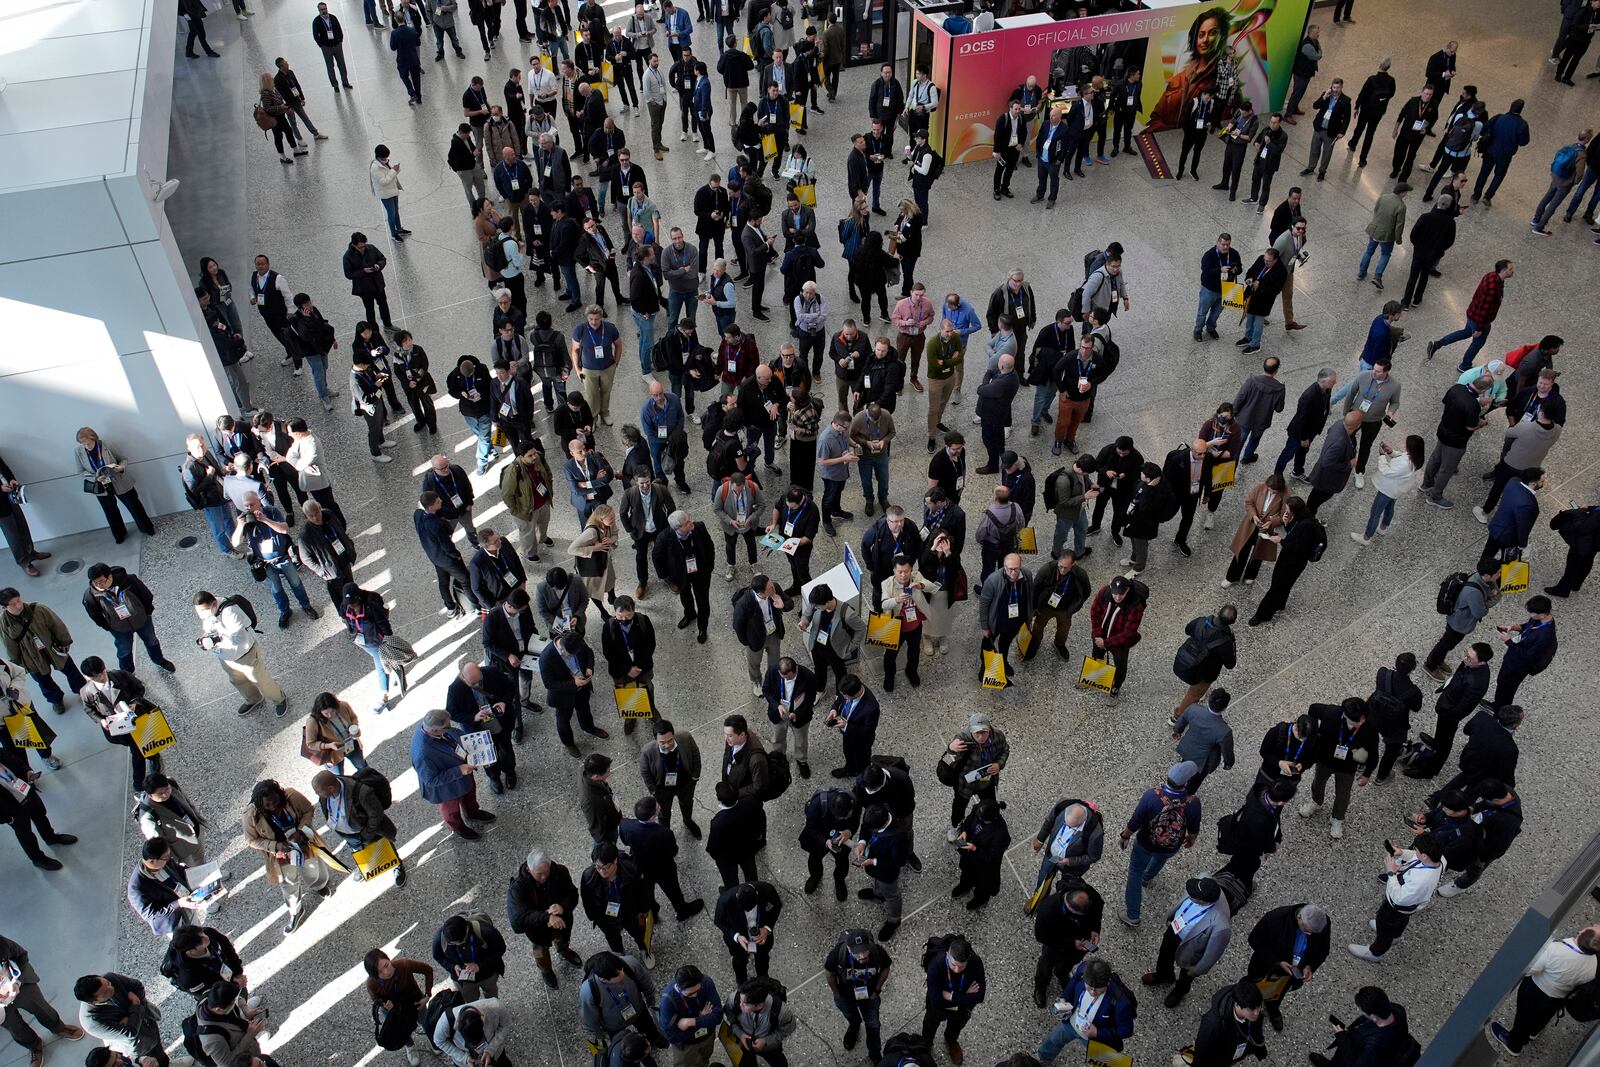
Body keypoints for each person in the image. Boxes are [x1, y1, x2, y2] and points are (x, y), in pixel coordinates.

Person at [1485, 925, 1600, 1056]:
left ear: (1581, 933)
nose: (1594, 925)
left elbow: (1530, 970)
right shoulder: (1594, 963)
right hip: (1560, 997)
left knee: (1524, 1017)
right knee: (1545, 1014)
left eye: (1593, 926)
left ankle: (1514, 1043)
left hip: (1536, 991)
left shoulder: (1555, 950)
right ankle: (1534, 1031)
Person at [242, 779, 329, 934]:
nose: (273, 806)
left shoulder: (292, 796)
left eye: (275, 801)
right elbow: (252, 840)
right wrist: (275, 846)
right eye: (267, 805)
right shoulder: (251, 815)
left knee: (313, 868)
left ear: (280, 794)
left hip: (302, 842)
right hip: (281, 852)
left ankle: (319, 885)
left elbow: (309, 809)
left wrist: (301, 829)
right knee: (288, 882)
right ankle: (295, 910)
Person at [1346, 834, 1444, 961]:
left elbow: (1400, 898)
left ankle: (1375, 953)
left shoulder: (1422, 880)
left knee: (1384, 926)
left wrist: (1391, 873)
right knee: (1401, 920)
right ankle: (1395, 936)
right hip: (1408, 908)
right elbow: (1415, 857)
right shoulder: (1436, 860)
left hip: (1397, 907)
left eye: (1417, 850)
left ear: (1424, 855)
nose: (1415, 852)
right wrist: (1402, 853)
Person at [1140, 876, 1232, 1009]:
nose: (1189, 894)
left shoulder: (1220, 926)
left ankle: (1180, 991)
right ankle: (1164, 975)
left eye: (1194, 896)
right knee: (1165, 953)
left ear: (1204, 901)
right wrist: (1172, 918)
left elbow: (1213, 953)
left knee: (1186, 974)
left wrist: (1197, 970)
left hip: (1192, 948)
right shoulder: (1201, 881)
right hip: (1175, 929)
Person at [1240, 903, 1330, 1033]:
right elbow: (1254, 940)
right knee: (1253, 987)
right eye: (1306, 930)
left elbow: (1323, 950)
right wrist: (1277, 962)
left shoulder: (1322, 924)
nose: (1309, 934)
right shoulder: (1276, 918)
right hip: (1266, 967)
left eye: (1312, 932)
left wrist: (1310, 965)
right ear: (1299, 917)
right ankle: (1246, 1009)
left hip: (1292, 975)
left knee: (1280, 992)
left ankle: (1273, 1008)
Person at [1297, 698, 1378, 838]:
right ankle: (1316, 802)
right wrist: (1314, 735)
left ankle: (1337, 818)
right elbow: (1313, 708)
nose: (1361, 722)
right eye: (1358, 721)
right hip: (1325, 759)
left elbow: (1374, 752)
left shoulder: (1370, 726)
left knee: (1343, 793)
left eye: (1363, 718)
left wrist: (1367, 773)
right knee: (1318, 783)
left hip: (1347, 766)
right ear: (1345, 715)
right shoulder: (1331, 713)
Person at [412, 707, 497, 840]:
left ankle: (472, 813)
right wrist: (459, 770)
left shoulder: (431, 728)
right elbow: (431, 780)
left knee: (470, 794)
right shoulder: (422, 754)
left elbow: (454, 734)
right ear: (435, 730)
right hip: (447, 788)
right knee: (451, 811)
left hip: (462, 773)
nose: (450, 728)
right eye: (447, 726)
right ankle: (458, 828)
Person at [505, 849, 584, 988]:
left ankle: (564, 951)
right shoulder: (518, 888)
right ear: (529, 870)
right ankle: (546, 970)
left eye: (546, 872)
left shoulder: (560, 872)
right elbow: (518, 920)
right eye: (539, 874)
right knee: (541, 953)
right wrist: (546, 918)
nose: (543, 877)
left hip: (561, 922)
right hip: (538, 930)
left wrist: (563, 906)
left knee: (563, 939)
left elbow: (572, 894)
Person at [72, 974, 170, 1065]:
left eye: (108, 983)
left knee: (159, 1049)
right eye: (106, 992)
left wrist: (133, 1017)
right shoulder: (93, 1022)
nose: (112, 988)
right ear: (93, 1002)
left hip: (149, 1023)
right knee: (158, 1059)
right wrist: (135, 1004)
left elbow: (137, 986)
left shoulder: (109, 978)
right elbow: (130, 1033)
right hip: (142, 1043)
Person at [581, 843, 656, 963]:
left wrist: (644, 910)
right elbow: (587, 899)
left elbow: (642, 892)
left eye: (606, 867)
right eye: (598, 867)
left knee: (639, 932)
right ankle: (620, 954)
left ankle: (644, 949)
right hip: (606, 915)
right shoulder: (588, 876)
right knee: (612, 937)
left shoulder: (630, 869)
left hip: (630, 911)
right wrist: (594, 917)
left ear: (615, 860)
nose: (602, 871)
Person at [1424, 564, 1499, 677]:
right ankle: (1430, 665)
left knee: (1447, 644)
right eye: (1498, 572)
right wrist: (1493, 598)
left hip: (1456, 618)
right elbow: (1480, 612)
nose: (1500, 574)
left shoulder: (1477, 577)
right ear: (1487, 575)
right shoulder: (1474, 592)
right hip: (1459, 624)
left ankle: (1438, 660)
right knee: (1445, 644)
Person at [919, 935, 984, 1064]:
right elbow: (937, 1001)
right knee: (929, 1026)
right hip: (938, 1009)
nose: (957, 970)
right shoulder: (936, 965)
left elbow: (979, 996)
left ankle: (951, 1040)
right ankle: (926, 1044)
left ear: (968, 959)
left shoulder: (975, 962)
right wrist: (966, 995)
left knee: (956, 1026)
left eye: (961, 966)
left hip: (961, 1009)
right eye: (953, 965)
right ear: (947, 955)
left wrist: (951, 996)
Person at [1491, 596, 1558, 708]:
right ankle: (1497, 704)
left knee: (1507, 688)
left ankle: (1501, 710)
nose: (1530, 615)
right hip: (1514, 656)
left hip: (1518, 666)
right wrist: (1513, 627)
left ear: (1542, 614)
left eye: (1532, 613)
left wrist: (1508, 641)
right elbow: (1528, 626)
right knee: (1502, 682)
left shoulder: (1544, 636)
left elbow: (1527, 657)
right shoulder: (1540, 619)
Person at [951, 798, 1009, 911]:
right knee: (966, 872)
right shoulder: (978, 810)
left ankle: (980, 899)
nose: (980, 819)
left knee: (982, 886)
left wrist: (975, 849)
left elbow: (992, 858)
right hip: (969, 856)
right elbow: (967, 821)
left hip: (984, 866)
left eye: (983, 819)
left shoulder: (1001, 834)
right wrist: (964, 831)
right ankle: (965, 885)